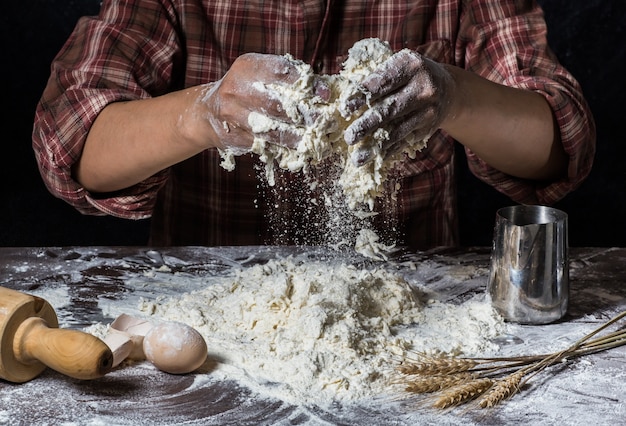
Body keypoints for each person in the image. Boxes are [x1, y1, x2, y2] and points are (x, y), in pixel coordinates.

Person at [32, 0, 595, 250]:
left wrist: (454, 95)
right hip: (207, 300)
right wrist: (200, 113)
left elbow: (557, 149)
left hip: (413, 297)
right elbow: (73, 143)